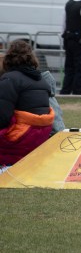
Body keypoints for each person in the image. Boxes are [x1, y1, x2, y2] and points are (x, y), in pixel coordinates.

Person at [0, 40, 56, 168]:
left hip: (21, 137)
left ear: (8, 58)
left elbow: (2, 116)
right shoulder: (42, 80)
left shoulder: (10, 79)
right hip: (41, 136)